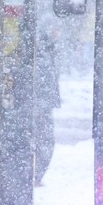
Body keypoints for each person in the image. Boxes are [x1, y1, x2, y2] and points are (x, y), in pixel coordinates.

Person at [33, 28, 61, 185]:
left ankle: (35, 176)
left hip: (40, 106)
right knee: (45, 142)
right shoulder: (44, 58)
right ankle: (36, 176)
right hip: (41, 107)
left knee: (43, 142)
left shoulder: (44, 56)